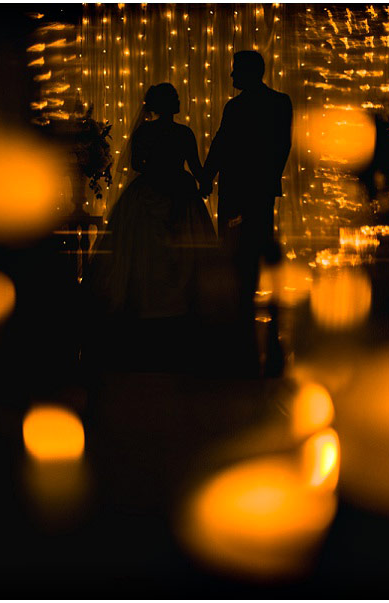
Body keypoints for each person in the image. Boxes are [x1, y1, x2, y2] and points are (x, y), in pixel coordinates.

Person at [85, 83, 215, 329]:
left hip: (149, 191)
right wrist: (204, 181)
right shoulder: (183, 133)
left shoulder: (144, 132)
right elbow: (196, 168)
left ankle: (146, 302)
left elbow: (136, 165)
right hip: (180, 191)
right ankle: (181, 305)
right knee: (184, 248)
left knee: (142, 248)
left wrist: (157, 171)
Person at [200, 50, 293, 375]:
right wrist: (266, 179)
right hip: (258, 189)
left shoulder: (237, 107)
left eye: (235, 70)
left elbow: (222, 144)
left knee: (237, 249)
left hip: (238, 189)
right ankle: (256, 311)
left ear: (249, 72)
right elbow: (282, 146)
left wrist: (206, 178)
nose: (231, 77)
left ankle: (241, 313)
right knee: (256, 243)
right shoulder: (280, 103)